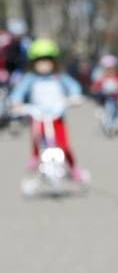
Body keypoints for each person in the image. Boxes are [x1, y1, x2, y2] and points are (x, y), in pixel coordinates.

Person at [9, 38, 87, 181]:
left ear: (54, 61)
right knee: (36, 136)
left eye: (47, 60)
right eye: (40, 61)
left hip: (57, 116)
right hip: (38, 116)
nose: (44, 64)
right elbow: (19, 92)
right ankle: (35, 157)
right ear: (33, 63)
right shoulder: (30, 78)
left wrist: (75, 97)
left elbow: (73, 86)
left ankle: (73, 167)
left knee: (63, 144)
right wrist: (16, 102)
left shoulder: (59, 77)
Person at [90, 54, 118, 130]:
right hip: (104, 98)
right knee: (104, 108)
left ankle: (115, 121)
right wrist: (96, 89)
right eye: (108, 69)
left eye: (112, 69)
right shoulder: (103, 78)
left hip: (114, 98)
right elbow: (95, 86)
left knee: (115, 108)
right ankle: (106, 121)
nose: (110, 71)